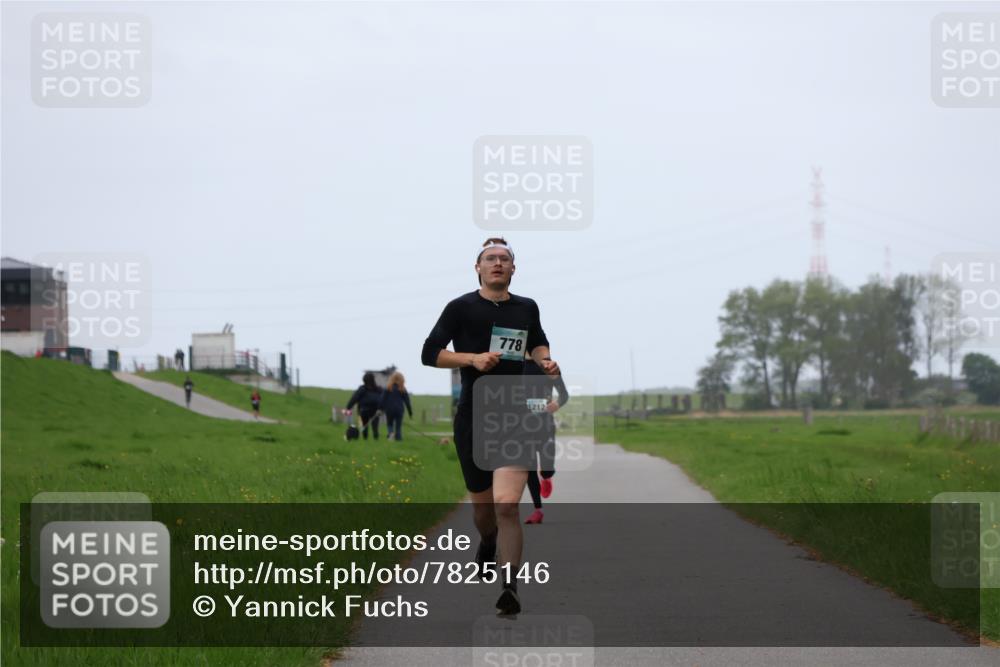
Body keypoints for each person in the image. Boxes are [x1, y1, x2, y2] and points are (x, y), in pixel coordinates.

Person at [422, 237, 559, 616]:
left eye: (504, 258)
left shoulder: (526, 307)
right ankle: (487, 542)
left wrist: (546, 361)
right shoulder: (461, 307)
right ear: (478, 268)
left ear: (514, 268)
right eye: (490, 258)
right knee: (484, 513)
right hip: (474, 417)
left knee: (507, 505)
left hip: (515, 416)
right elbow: (430, 353)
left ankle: (509, 586)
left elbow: (539, 342)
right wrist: (472, 359)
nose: (497, 263)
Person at [523, 357, 568, 525]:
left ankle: (546, 476)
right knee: (529, 467)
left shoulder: (549, 366)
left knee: (546, 468)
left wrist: (556, 404)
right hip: (522, 424)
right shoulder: (514, 365)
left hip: (545, 424)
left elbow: (564, 395)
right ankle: (538, 510)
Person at [346, 372, 383, 440]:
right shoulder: (379, 389)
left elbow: (355, 398)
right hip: (375, 411)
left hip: (364, 410)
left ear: (364, 380)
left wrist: (348, 407)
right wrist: (382, 408)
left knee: (364, 426)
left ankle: (365, 439)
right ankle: (376, 439)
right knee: (375, 427)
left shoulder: (362, 388)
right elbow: (383, 399)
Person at [379, 371, 413, 441]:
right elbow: (407, 401)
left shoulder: (388, 388)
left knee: (390, 423)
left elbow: (382, 399)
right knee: (398, 425)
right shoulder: (402, 389)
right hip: (399, 409)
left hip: (389, 409)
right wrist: (410, 412)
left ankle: (391, 434)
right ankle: (398, 437)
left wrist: (380, 408)